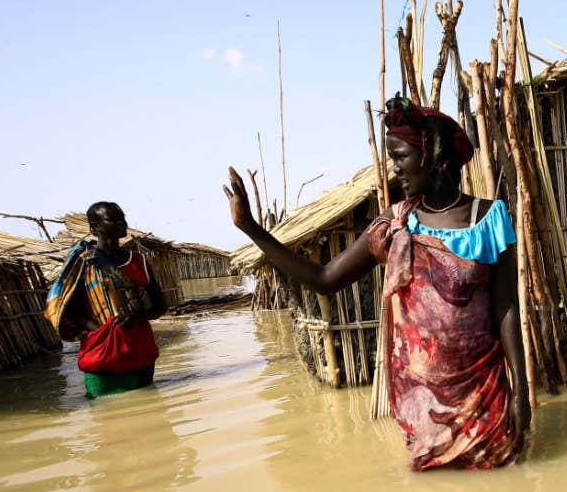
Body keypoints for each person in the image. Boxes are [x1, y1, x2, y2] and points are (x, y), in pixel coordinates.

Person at [223, 96, 530, 470]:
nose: (395, 169)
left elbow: (506, 308)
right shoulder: (396, 226)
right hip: (423, 410)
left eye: (401, 157)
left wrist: (521, 393)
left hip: (485, 398)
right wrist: (251, 229)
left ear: (431, 157)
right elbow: (325, 279)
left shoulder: (488, 217)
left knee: (503, 489)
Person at [45, 202, 166, 399]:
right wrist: (100, 330)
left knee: (148, 407)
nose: (121, 223)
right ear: (95, 227)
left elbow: (160, 307)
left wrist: (136, 316)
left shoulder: (138, 261)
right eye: (112, 219)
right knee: (104, 412)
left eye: (123, 218)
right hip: (101, 354)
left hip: (139, 352)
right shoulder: (82, 264)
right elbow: (63, 310)